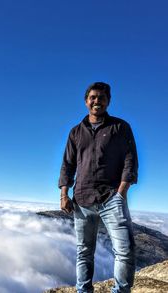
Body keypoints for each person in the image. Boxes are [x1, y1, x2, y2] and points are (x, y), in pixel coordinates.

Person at [58, 82, 138, 293]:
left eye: (102, 97)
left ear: (108, 101)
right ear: (86, 101)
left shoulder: (120, 127)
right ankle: (83, 291)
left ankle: (120, 291)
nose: (97, 101)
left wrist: (121, 192)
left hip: (111, 197)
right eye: (93, 97)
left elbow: (130, 160)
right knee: (84, 251)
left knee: (125, 250)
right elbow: (68, 164)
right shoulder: (76, 132)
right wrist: (64, 193)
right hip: (82, 199)